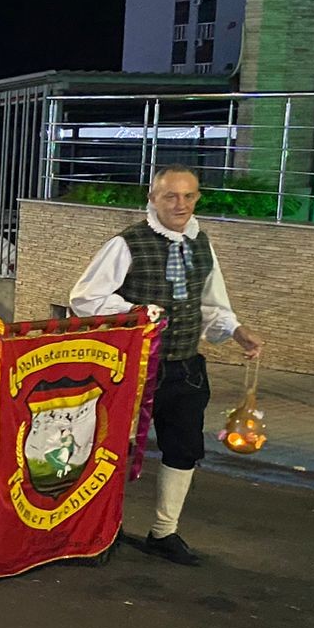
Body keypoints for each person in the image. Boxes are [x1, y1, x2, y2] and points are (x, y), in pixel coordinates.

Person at [69, 163, 263, 566]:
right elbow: (85, 298)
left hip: (185, 367)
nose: (181, 204)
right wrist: (138, 311)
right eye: (170, 196)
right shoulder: (127, 243)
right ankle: (105, 528)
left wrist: (238, 330)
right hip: (133, 369)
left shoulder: (200, 244)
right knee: (114, 447)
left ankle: (164, 532)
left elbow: (209, 303)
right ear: (152, 199)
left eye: (189, 195)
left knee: (184, 449)